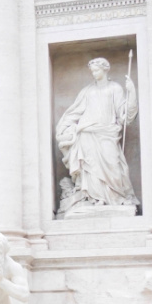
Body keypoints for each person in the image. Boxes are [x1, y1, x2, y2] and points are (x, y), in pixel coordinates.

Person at [55, 57, 139, 209]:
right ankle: (94, 198)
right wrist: (64, 128)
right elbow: (74, 112)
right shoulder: (87, 91)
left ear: (105, 69)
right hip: (87, 133)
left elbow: (125, 115)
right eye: (92, 71)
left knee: (113, 163)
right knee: (91, 168)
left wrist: (132, 92)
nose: (94, 74)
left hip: (108, 133)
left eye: (97, 70)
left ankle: (115, 197)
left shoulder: (115, 88)